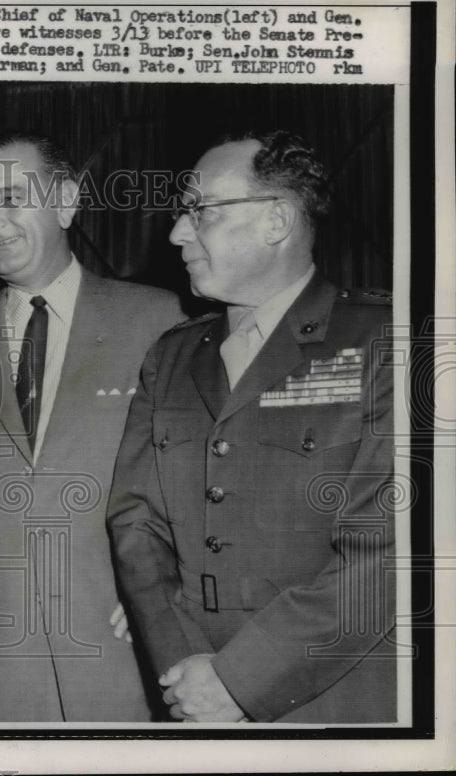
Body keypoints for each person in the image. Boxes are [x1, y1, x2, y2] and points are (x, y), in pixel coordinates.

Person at [106, 131, 395, 723]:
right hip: (188, 690)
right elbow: (136, 525)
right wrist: (187, 669)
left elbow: (388, 555)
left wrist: (241, 681)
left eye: (201, 212)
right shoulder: (172, 356)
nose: (177, 233)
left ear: (277, 220)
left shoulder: (386, 343)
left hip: (333, 701)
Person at [0, 131, 184, 721]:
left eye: (11, 198)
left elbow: (193, 476)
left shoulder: (159, 318)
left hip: (123, 639)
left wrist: (170, 592)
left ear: (65, 202)